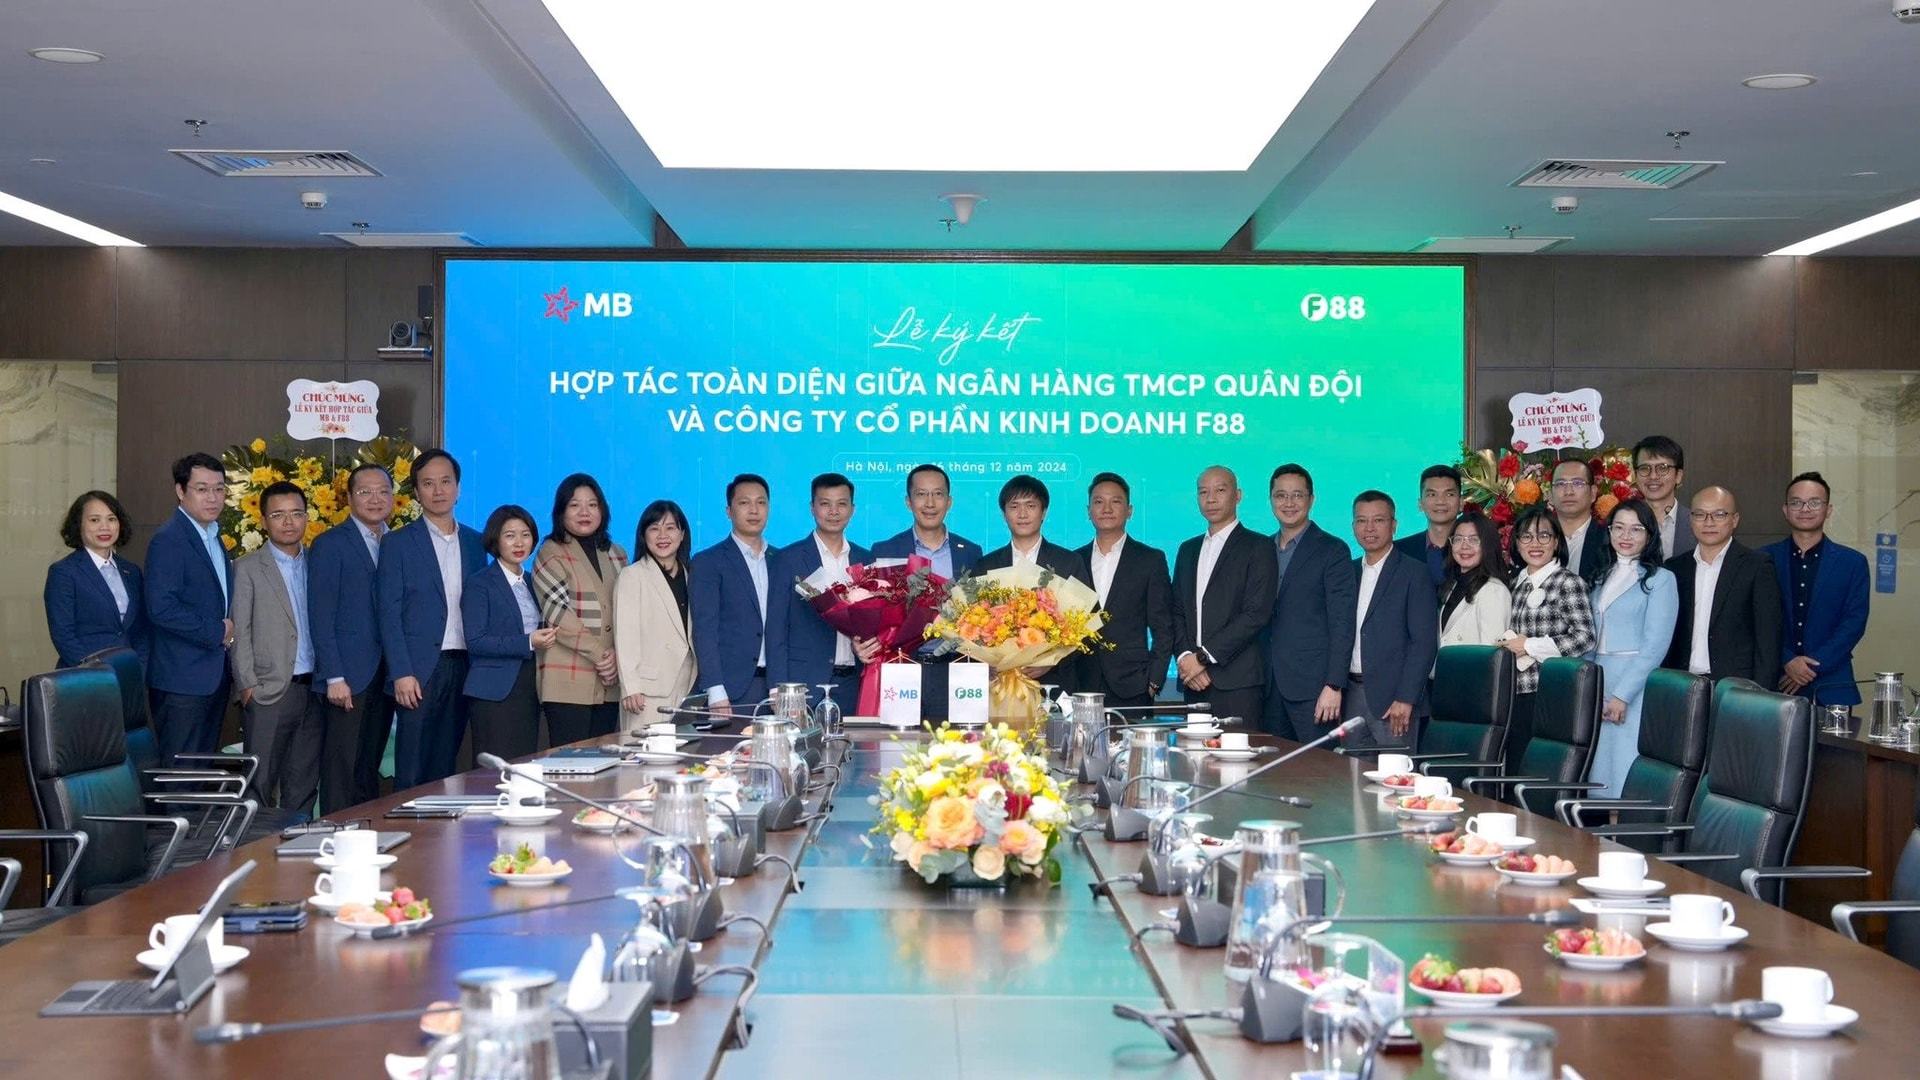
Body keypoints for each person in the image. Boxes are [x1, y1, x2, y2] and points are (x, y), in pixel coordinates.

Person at [376, 448, 484, 788]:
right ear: (416, 492)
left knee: (447, 762)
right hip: (419, 669)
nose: (438, 491)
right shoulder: (397, 543)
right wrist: (401, 672)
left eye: (446, 482)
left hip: (464, 665)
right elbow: (388, 612)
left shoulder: (476, 542)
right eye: (428, 483)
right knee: (412, 765)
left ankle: (440, 822)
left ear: (458, 488)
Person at [228, 481, 325, 812]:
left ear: (307, 517)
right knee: (259, 783)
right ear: (263, 520)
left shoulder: (318, 563)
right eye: (278, 515)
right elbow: (240, 630)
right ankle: (257, 843)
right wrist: (247, 686)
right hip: (268, 691)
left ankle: (300, 841)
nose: (288, 522)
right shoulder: (246, 568)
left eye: (296, 513)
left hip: (314, 689)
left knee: (304, 782)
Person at [308, 463, 394, 811]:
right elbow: (321, 614)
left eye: (383, 491)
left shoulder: (397, 541)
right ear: (348, 497)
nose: (375, 499)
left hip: (386, 673)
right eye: (365, 492)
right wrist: (334, 676)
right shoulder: (330, 544)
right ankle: (335, 831)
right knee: (341, 766)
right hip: (347, 676)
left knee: (368, 765)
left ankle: (366, 831)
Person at [870, 464, 982, 721]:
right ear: (908, 502)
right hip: (902, 667)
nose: (930, 503)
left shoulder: (971, 552)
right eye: (921, 494)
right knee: (899, 742)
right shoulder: (885, 550)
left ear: (949, 501)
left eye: (938, 494)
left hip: (957, 669)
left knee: (957, 742)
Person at [144, 452, 235, 764]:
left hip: (212, 675)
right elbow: (161, 607)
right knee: (180, 772)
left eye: (219, 489)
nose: (213, 497)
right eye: (202, 489)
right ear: (180, 491)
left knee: (200, 770)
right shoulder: (169, 539)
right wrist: (217, 631)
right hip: (181, 679)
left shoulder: (213, 535)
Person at [1586, 499, 1678, 798]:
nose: (1626, 536)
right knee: (1598, 769)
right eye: (1619, 528)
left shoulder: (1661, 579)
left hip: (1633, 684)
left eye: (1636, 529)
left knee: (1623, 767)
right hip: (1599, 679)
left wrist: (1622, 695)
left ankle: (1621, 827)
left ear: (1650, 535)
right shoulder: (1600, 576)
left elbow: (1655, 646)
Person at [1171, 466, 1276, 726]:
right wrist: (1185, 658)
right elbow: (1176, 610)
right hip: (1193, 682)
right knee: (1194, 751)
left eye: (1220, 490)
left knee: (1238, 751)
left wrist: (1203, 658)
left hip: (1237, 683)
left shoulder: (1259, 546)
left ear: (1237, 495)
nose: (1211, 499)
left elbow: (1256, 614)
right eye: (1203, 492)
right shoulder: (1188, 549)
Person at [1259, 464, 1356, 742]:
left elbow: (1342, 621)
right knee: (1273, 765)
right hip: (1267, 685)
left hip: (1314, 688)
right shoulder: (1261, 549)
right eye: (1281, 495)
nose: (1289, 503)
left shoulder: (1333, 550)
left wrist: (1334, 684)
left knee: (1317, 766)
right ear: (1271, 500)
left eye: (1297, 495)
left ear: (1311, 499)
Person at [531, 473, 627, 747]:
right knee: (570, 763)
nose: (585, 512)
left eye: (592, 505)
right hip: (567, 681)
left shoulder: (617, 554)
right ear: (561, 512)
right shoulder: (550, 552)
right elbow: (558, 614)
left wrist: (618, 655)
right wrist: (602, 657)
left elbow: (629, 611)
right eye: (574, 505)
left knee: (603, 763)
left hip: (610, 683)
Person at [1498, 507, 1597, 773]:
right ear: (1516, 543)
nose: (1535, 544)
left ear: (1556, 542)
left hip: (1551, 691)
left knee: (1543, 772)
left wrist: (1529, 645)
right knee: (1516, 768)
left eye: (1544, 536)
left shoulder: (1567, 582)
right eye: (1527, 537)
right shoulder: (1515, 584)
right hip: (1517, 692)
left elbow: (1585, 637)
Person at [766, 473, 871, 713]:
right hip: (804, 684)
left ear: (852, 509)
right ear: (812, 508)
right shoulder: (788, 559)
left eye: (841, 504)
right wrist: (777, 689)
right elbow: (775, 629)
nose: (833, 511)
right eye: (825, 504)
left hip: (854, 684)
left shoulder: (865, 559)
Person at [1763, 472, 1870, 707]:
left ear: (1828, 510)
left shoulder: (1852, 563)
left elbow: (1854, 623)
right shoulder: (1763, 559)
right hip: (1776, 683)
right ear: (1785, 510)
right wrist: (1787, 659)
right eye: (1796, 502)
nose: (1805, 509)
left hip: (1832, 686)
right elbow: (1757, 620)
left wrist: (1810, 666)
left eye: (1814, 502)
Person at [463, 505, 558, 762]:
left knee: (524, 763)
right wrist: (528, 642)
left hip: (530, 685)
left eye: (525, 535)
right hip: (494, 690)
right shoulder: (479, 583)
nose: (519, 542)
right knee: (494, 769)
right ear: (495, 539)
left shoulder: (533, 581)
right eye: (510, 535)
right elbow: (476, 641)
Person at [1071, 472, 1175, 709]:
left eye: (1115, 501)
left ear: (1129, 510)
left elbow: (1163, 627)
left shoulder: (1150, 560)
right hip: (1081, 683)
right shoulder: (1074, 560)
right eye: (1099, 502)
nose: (1106, 509)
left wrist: (1154, 679)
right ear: (1088, 511)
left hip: (1133, 684)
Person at [1662, 486, 1783, 688]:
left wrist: (1762, 692)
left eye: (1719, 514)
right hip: (1681, 684)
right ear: (1691, 519)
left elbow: (1768, 639)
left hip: (1736, 687)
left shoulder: (1757, 566)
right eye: (1700, 514)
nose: (1708, 522)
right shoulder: (1675, 568)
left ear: (1734, 520)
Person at [1347, 491, 1439, 749]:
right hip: (1351, 694)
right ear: (1353, 526)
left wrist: (1406, 698)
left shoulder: (1415, 573)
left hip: (1394, 700)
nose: (1369, 528)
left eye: (1378, 520)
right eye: (1362, 521)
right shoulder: (1348, 571)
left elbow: (1423, 642)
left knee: (1395, 771)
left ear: (1394, 525)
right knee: (1349, 771)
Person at [691, 474, 774, 726]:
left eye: (761, 502)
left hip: (775, 690)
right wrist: (715, 690)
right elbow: (705, 630)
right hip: (731, 691)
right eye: (744, 503)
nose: (754, 510)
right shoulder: (708, 562)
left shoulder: (781, 560)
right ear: (729, 511)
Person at [614, 500, 698, 731]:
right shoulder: (633, 575)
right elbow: (625, 635)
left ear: (682, 534)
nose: (662, 536)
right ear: (644, 535)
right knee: (644, 750)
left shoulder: (692, 575)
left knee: (682, 750)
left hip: (687, 685)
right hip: (646, 692)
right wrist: (630, 687)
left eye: (670, 528)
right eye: (654, 528)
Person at [44, 489, 149, 670]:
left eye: (111, 519)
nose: (104, 527)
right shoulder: (63, 572)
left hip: (129, 674)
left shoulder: (131, 571)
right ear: (78, 525)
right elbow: (63, 635)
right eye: (94, 520)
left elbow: (142, 630)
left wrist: (139, 668)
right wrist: (96, 672)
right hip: (85, 677)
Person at [977, 474, 1089, 579]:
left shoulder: (1070, 562)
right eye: (1014, 507)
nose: (1022, 514)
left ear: (1043, 512)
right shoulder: (985, 566)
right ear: (1004, 514)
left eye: (1030, 506)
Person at [1438, 512, 1511, 647]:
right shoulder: (1453, 585)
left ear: (1487, 545)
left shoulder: (1493, 590)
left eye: (1473, 539)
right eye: (1458, 539)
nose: (1464, 546)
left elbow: (1491, 652)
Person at [1393, 465, 1461, 586]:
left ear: (1461, 502)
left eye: (1449, 494)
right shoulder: (1397, 551)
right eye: (1432, 495)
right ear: (1420, 504)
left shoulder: (1478, 549)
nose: (1440, 502)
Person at [1633, 435, 1694, 557]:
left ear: (1678, 476)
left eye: (1662, 468)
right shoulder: (1619, 524)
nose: (1653, 476)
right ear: (1635, 475)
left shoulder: (1697, 523)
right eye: (1645, 468)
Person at [1549, 458, 1608, 579]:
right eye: (1560, 484)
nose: (1568, 492)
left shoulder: (1608, 539)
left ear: (1593, 493)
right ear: (1550, 495)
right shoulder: (1536, 540)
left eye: (1578, 483)